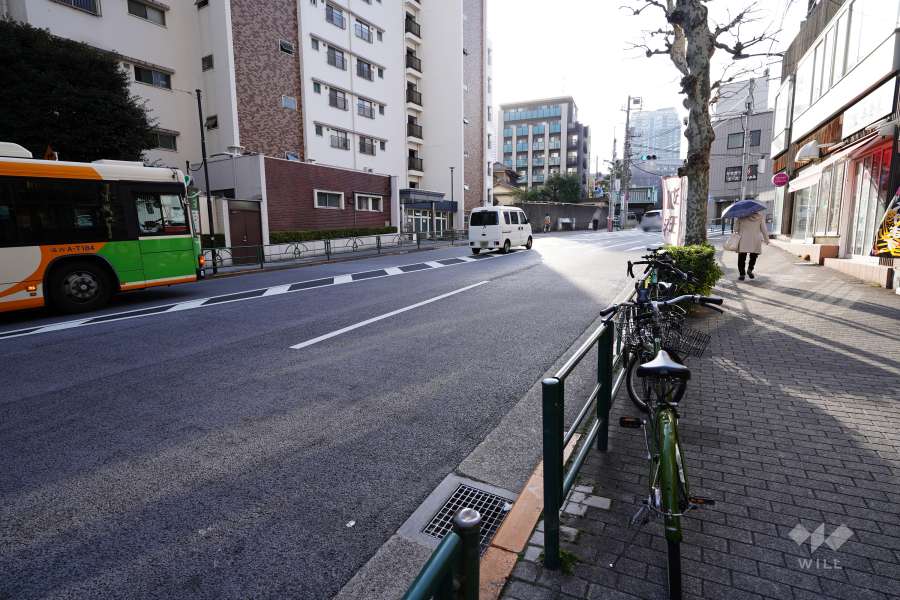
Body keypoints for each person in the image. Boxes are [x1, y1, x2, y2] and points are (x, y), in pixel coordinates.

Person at [734, 211, 769, 281]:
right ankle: (750, 269)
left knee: (742, 257)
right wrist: (766, 239)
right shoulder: (760, 217)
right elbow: (764, 230)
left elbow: (736, 229)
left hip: (743, 239)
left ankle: (742, 274)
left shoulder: (741, 216)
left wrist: (737, 221)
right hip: (755, 239)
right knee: (753, 256)